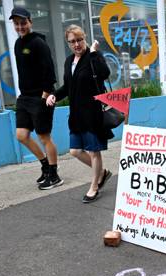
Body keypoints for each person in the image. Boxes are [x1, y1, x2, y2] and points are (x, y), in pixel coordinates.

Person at [46, 25, 113, 203]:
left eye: (79, 40)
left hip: (92, 113)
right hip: (76, 115)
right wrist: (54, 95)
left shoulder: (93, 57)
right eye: (72, 41)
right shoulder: (69, 61)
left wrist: (93, 53)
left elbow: (105, 74)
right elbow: (68, 87)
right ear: (68, 43)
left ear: (84, 38)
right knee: (75, 151)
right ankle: (102, 172)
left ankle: (94, 186)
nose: (76, 44)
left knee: (93, 152)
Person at [9, 7, 62, 190]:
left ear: (30, 22)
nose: (20, 26)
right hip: (24, 97)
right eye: (16, 23)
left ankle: (54, 175)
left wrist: (45, 96)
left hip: (41, 97)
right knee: (21, 135)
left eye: (23, 22)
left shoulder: (39, 43)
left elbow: (50, 72)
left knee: (44, 136)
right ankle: (45, 166)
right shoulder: (18, 44)